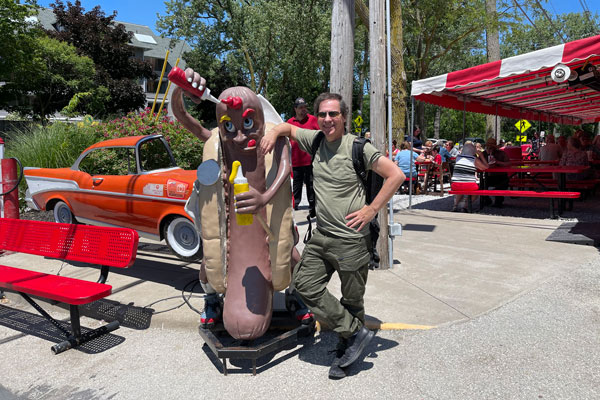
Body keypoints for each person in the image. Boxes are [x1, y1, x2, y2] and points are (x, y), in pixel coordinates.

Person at [261, 92, 404, 379]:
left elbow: (396, 175)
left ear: (343, 117)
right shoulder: (314, 140)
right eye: (323, 114)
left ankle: (347, 350)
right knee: (303, 283)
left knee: (353, 300)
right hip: (323, 235)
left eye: (334, 114)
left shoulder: (358, 148)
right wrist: (275, 131)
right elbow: (289, 128)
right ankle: (354, 333)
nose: (328, 120)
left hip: (351, 240)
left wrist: (371, 210)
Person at [287, 97, 318, 217]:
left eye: (305, 107)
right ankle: (295, 204)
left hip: (310, 159)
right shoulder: (289, 123)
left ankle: (312, 205)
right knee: (296, 183)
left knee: (311, 183)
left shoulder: (313, 120)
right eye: (300, 108)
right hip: (295, 160)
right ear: (295, 109)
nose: (303, 110)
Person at [450, 142, 488, 212]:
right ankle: (464, 207)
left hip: (455, 185)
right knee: (476, 192)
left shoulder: (458, 158)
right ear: (473, 151)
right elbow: (486, 167)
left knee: (460, 186)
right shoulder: (474, 159)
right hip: (469, 185)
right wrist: (481, 155)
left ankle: (455, 206)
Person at [482, 138, 510, 208]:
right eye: (488, 146)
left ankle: (498, 202)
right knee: (482, 184)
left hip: (501, 176)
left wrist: (498, 162)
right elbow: (479, 163)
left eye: (491, 147)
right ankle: (486, 199)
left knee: (501, 184)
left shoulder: (501, 153)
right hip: (489, 176)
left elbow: (508, 163)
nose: (490, 148)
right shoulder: (483, 154)